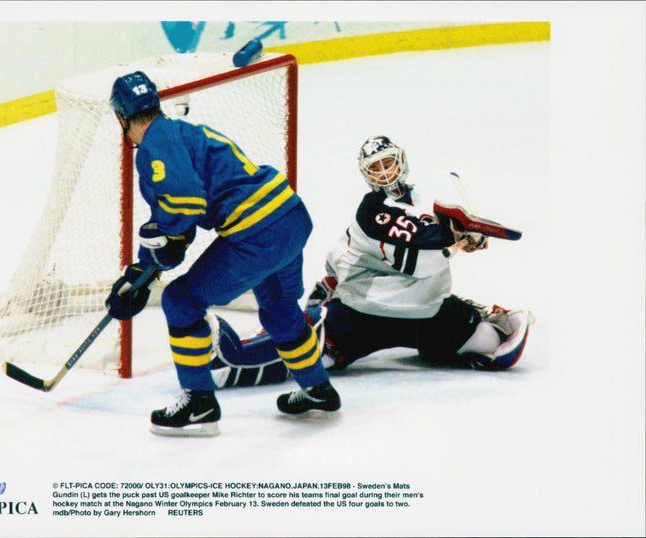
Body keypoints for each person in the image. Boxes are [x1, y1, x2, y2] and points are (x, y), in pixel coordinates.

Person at [105, 71, 340, 436]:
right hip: (289, 217)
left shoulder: (156, 143)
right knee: (279, 311)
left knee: (181, 303)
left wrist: (147, 269)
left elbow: (183, 205)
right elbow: (175, 228)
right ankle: (318, 389)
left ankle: (199, 403)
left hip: (257, 234)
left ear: (121, 116)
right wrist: (142, 271)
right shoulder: (181, 131)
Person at [205, 135, 535, 388]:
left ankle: (458, 325)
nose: (384, 172)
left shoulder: (420, 201)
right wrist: (455, 238)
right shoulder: (372, 210)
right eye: (375, 168)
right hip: (370, 312)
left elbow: (426, 239)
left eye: (388, 162)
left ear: (401, 162)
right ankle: (236, 360)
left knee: (489, 342)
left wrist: (464, 238)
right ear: (367, 175)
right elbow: (420, 259)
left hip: (423, 311)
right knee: (321, 353)